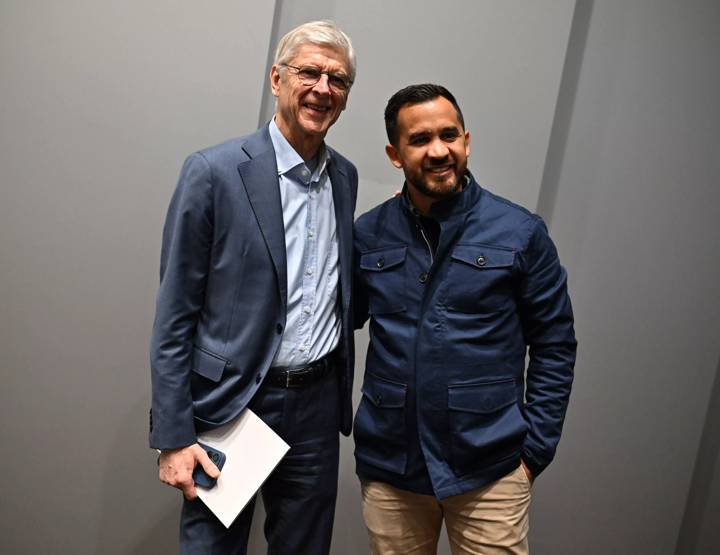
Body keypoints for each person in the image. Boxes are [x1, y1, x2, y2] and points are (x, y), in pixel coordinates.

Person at [149, 20, 358, 554]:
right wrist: (174, 436)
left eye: (337, 80)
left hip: (315, 407)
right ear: (275, 78)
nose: (322, 89)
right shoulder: (213, 172)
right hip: (234, 404)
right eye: (308, 72)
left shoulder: (344, 178)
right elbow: (174, 315)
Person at [352, 84, 577, 554]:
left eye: (449, 135)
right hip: (393, 469)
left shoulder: (519, 233)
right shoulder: (368, 234)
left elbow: (555, 344)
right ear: (395, 154)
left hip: (490, 470)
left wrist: (533, 453)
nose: (439, 150)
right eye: (420, 140)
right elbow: (330, 325)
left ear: (466, 140)